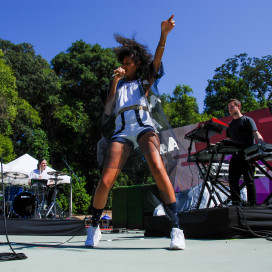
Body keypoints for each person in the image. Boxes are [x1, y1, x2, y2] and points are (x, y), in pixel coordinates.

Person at [85, 15, 185, 250]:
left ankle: (177, 229)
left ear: (137, 64)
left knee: (158, 169)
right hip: (121, 131)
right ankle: (95, 226)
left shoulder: (144, 81)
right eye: (124, 61)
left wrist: (163, 35)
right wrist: (114, 81)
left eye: (130, 62)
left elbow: (157, 62)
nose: (126, 64)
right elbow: (109, 110)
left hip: (144, 128)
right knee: (106, 180)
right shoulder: (117, 85)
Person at [226, 99, 264, 206]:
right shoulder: (229, 125)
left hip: (248, 155)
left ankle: (253, 204)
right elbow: (229, 141)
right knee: (232, 180)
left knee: (249, 180)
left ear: (239, 106)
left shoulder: (248, 120)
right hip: (235, 156)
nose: (230, 109)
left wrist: (261, 143)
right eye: (229, 107)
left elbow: (256, 133)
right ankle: (236, 203)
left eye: (232, 106)